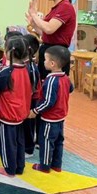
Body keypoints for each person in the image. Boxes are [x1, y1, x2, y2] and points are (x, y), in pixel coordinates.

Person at [0, 36, 33, 177]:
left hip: (7, 114)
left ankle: (9, 169)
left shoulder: (7, 72)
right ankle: (19, 166)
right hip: (21, 113)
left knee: (7, 143)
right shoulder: (26, 69)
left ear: (9, 53)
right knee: (19, 141)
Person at [29, 45, 73, 173]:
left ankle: (44, 166)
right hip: (60, 117)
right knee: (58, 142)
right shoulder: (65, 78)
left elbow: (48, 102)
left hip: (50, 119)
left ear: (52, 64)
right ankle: (56, 165)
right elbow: (70, 89)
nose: (43, 62)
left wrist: (35, 111)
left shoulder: (52, 80)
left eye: (45, 59)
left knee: (46, 142)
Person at [26, 0, 76, 79]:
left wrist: (34, 14)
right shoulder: (57, 7)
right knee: (44, 84)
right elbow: (45, 34)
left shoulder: (65, 6)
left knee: (53, 85)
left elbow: (49, 29)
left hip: (56, 54)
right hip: (49, 51)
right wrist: (33, 23)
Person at [23, 33, 41, 158]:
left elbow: (33, 86)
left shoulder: (31, 66)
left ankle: (29, 149)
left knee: (28, 124)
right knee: (25, 123)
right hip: (26, 98)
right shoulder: (26, 64)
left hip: (31, 100)